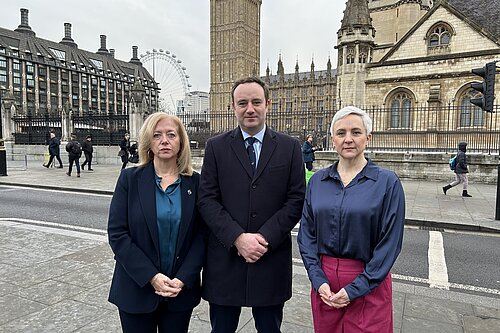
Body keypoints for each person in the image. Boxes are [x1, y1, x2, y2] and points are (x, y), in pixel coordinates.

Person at [198, 76, 306, 333]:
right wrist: (237, 238)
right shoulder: (216, 147)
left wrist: (263, 238)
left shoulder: (290, 147)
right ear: (232, 107)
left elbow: (296, 200)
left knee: (270, 329)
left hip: (269, 257)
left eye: (256, 102)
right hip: (226, 259)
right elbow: (207, 199)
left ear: (268, 104)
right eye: (242, 102)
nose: (250, 109)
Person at [297, 106, 405, 333]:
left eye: (356, 132)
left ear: (368, 137)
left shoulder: (387, 183)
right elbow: (306, 236)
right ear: (332, 140)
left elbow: (389, 245)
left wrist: (357, 288)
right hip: (325, 284)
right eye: (341, 133)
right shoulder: (317, 181)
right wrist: (318, 280)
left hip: (368, 283)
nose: (348, 139)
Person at [108, 112, 205, 333]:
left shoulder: (196, 183)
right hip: (136, 289)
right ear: (148, 143)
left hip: (179, 292)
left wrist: (182, 278)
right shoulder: (130, 180)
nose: (164, 141)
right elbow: (117, 234)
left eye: (171, 135)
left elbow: (202, 237)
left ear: (181, 142)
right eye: (157, 135)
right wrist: (151, 276)